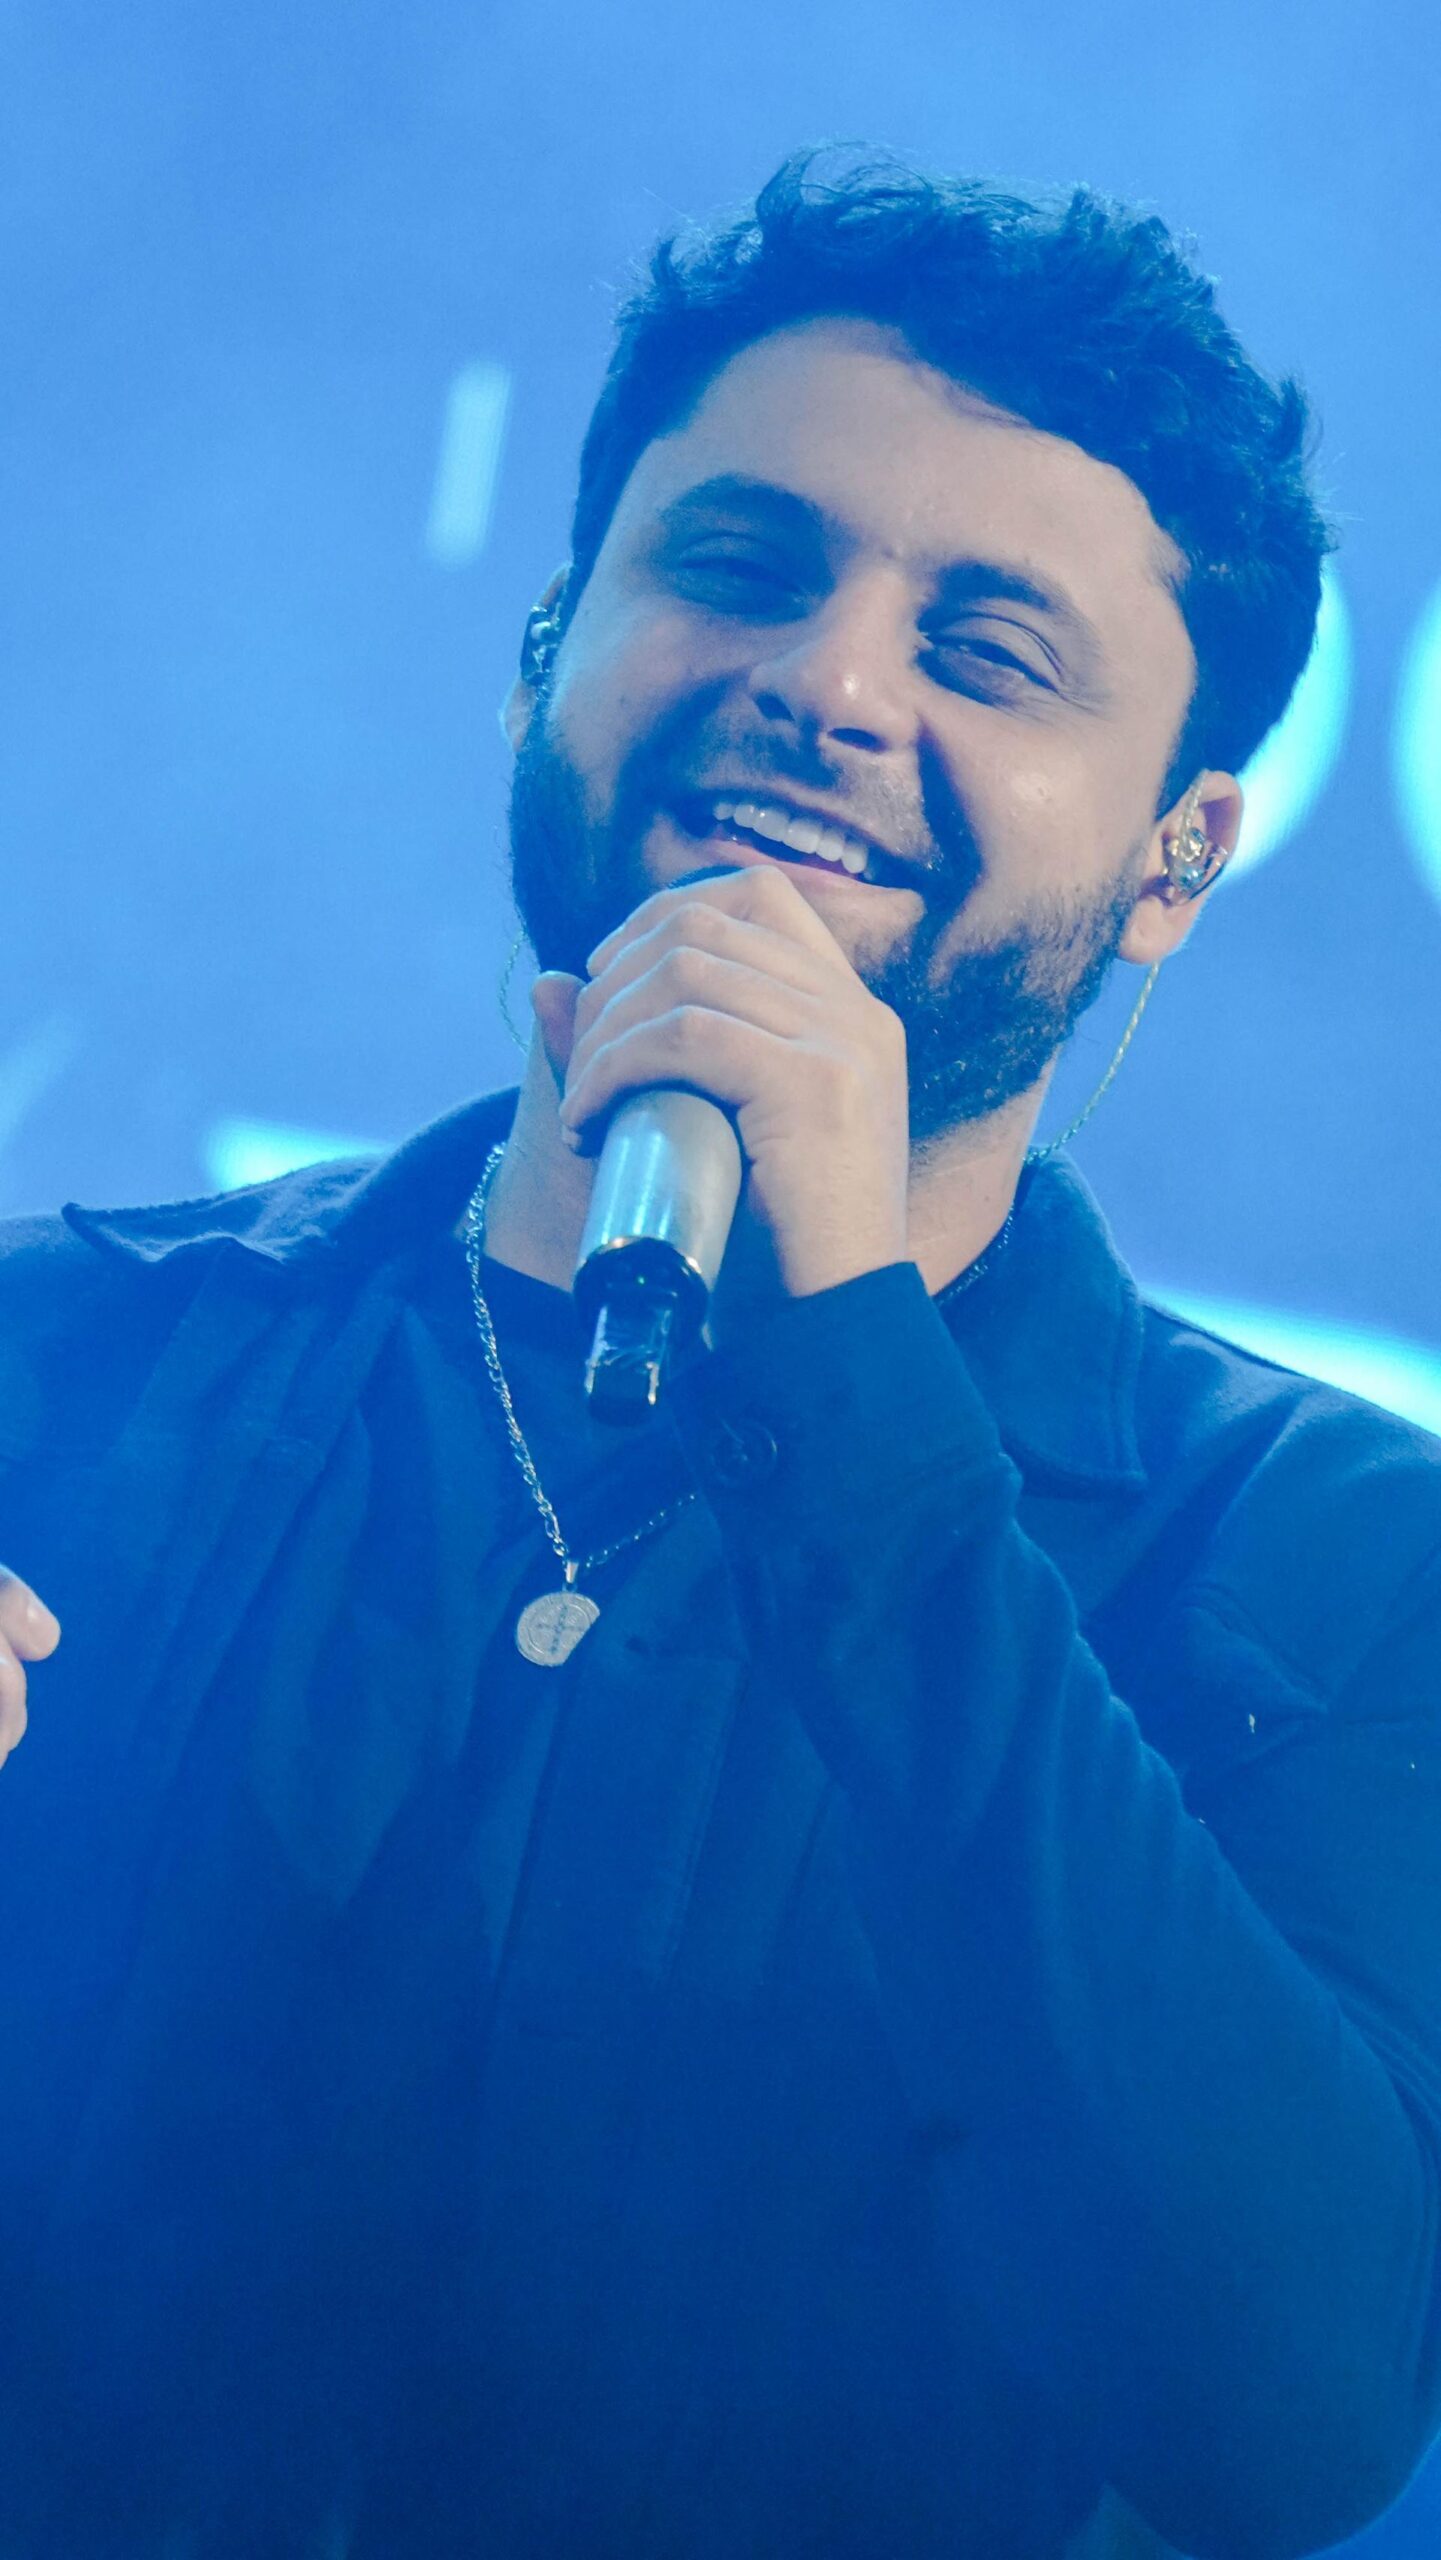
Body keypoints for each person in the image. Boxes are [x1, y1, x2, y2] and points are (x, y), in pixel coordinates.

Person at [1, 150, 1439, 2560]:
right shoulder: (54, 1365)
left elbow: (1276, 2410)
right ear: (544, 649)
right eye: (743, 567)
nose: (828, 685)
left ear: (1176, 857)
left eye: (989, 649)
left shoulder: (1343, 1568)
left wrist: (846, 1353)